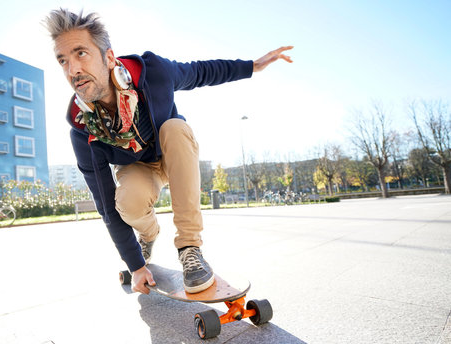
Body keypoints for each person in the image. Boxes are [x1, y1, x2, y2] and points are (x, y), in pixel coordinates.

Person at [43, 9, 293, 295]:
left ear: (109, 58)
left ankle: (190, 248)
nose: (72, 69)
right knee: (127, 201)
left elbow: (200, 72)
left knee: (175, 127)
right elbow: (105, 205)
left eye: (80, 54)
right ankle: (148, 235)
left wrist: (252, 66)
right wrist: (136, 265)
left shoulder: (153, 73)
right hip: (137, 168)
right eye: (62, 60)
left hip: (171, 151)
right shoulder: (82, 128)